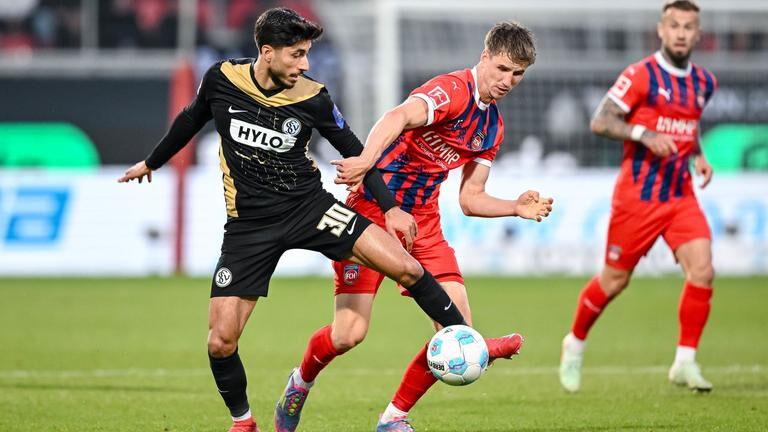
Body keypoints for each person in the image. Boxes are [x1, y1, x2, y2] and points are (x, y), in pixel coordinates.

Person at [118, 8, 472, 432]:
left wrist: (392, 208)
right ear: (267, 52)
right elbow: (191, 118)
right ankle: (244, 422)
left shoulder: (313, 97)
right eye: (297, 54)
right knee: (220, 340)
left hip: (311, 209)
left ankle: (468, 342)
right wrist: (152, 161)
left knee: (408, 267)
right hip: (249, 227)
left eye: (307, 54)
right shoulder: (221, 80)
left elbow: (356, 151)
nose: (305, 64)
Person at [275, 22, 553, 432]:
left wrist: (514, 207)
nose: (508, 81)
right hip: (373, 210)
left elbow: (470, 199)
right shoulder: (452, 91)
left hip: (423, 223)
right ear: (484, 57)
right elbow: (398, 116)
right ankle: (301, 381)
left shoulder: (492, 127)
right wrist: (366, 160)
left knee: (457, 329)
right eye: (502, 68)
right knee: (349, 333)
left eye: (518, 74)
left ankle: (393, 418)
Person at [559, 0, 717, 394]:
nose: (681, 33)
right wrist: (642, 134)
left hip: (680, 195)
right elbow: (600, 120)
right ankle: (574, 343)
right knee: (614, 281)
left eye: (688, 27)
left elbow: (688, 124)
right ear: (661, 30)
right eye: (674, 25)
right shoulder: (641, 75)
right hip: (638, 198)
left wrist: (698, 155)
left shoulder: (704, 82)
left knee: (702, 270)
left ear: (698, 34)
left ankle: (685, 362)